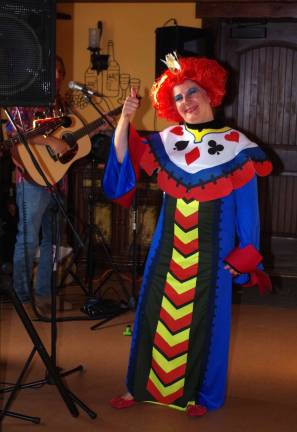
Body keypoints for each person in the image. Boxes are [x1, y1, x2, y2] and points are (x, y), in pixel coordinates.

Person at [102, 54, 273, 417]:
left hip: (215, 251)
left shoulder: (237, 145)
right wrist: (125, 118)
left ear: (210, 92)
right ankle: (138, 386)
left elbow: (248, 207)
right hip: (167, 249)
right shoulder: (168, 141)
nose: (186, 102)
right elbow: (123, 162)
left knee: (208, 323)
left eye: (192, 92)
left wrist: (246, 254)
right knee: (152, 314)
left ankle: (199, 394)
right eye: (178, 98)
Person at [6, 55, 111, 318]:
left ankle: (45, 296)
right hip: (31, 181)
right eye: (50, 74)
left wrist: (102, 128)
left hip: (58, 182)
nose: (55, 79)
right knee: (27, 240)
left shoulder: (61, 104)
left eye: (59, 74)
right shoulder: (24, 101)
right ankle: (22, 297)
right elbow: (13, 133)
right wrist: (51, 143)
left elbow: (72, 139)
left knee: (53, 242)